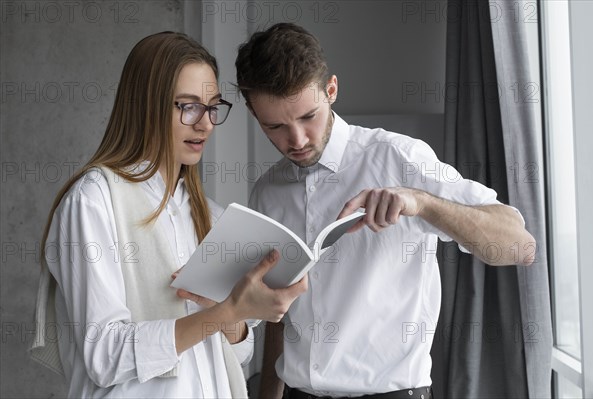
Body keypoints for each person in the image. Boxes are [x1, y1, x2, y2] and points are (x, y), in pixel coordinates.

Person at [235, 23, 536, 399]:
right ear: (252, 112)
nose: (295, 140)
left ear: (331, 90)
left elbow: (519, 247)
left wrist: (421, 202)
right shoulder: (267, 191)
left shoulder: (399, 158)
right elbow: (279, 312)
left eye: (308, 116)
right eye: (275, 126)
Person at [30, 31, 307, 398]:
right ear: (146, 104)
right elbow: (105, 354)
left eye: (212, 107)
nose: (205, 123)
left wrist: (234, 317)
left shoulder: (210, 214)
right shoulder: (93, 200)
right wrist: (224, 313)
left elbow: (237, 354)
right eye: (188, 106)